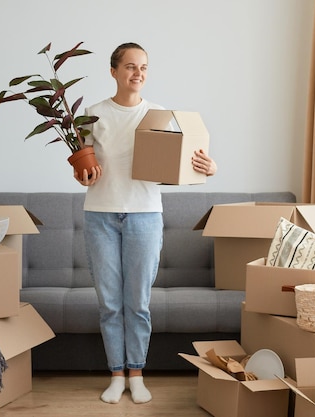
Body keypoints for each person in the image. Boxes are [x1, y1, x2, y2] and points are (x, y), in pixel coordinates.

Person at [74, 42, 217, 404]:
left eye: (144, 68)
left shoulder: (160, 115)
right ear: (113, 71)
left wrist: (209, 168)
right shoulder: (91, 114)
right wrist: (84, 177)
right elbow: (82, 168)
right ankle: (116, 374)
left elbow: (182, 161)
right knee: (109, 302)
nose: (137, 73)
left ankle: (136, 373)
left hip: (145, 215)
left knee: (137, 302)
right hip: (100, 216)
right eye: (130, 67)